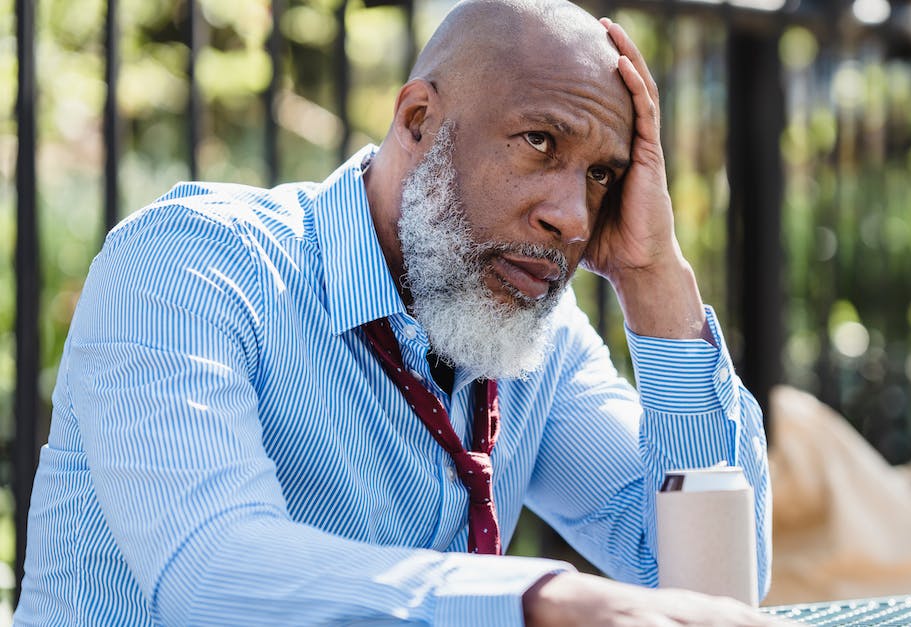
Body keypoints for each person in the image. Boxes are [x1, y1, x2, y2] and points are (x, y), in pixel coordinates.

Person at [16, 0, 778, 624]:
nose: (574, 217)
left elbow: (708, 583)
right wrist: (536, 599)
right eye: (540, 141)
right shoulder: (193, 264)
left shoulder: (537, 343)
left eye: (602, 175)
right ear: (417, 119)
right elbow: (212, 570)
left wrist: (655, 281)